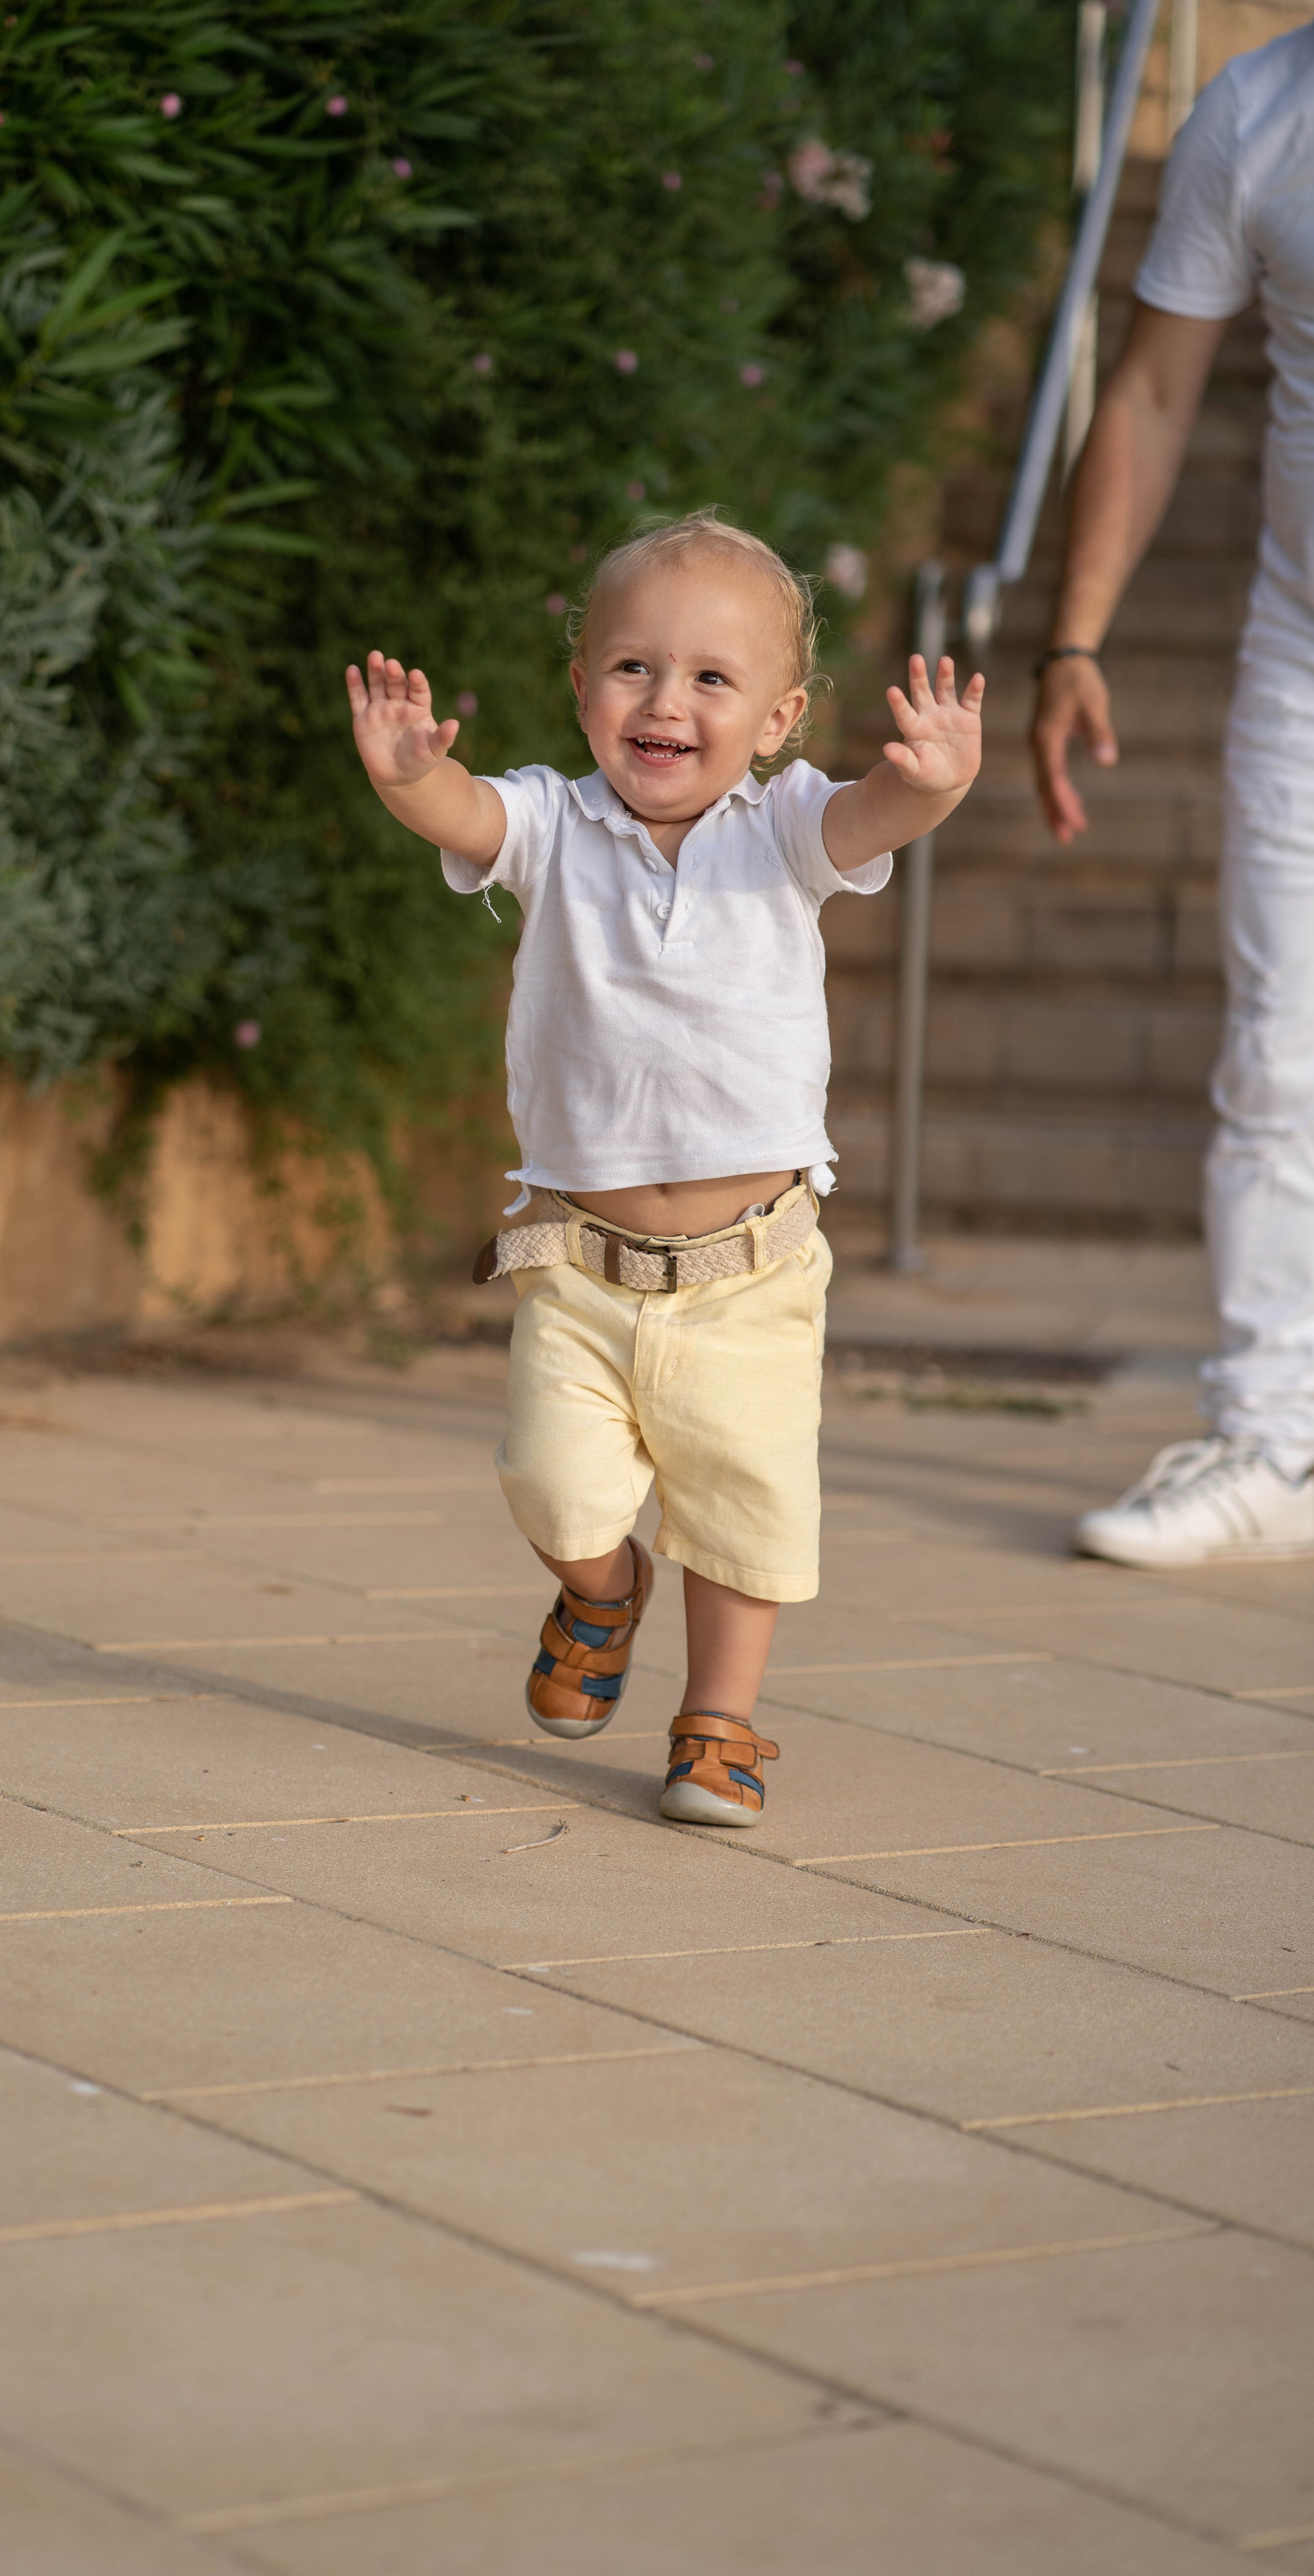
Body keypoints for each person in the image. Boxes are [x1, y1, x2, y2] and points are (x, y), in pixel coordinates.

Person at [347, 510, 984, 1825]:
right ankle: (599, 1592)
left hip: (750, 1272)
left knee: (743, 1502)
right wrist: (406, 774)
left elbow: (880, 815)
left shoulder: (784, 829)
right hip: (576, 1264)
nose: (664, 702)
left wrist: (933, 778)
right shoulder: (547, 826)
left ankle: (717, 1724)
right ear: (581, 687)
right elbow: (454, 808)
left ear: (775, 717)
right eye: (631, 667)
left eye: (710, 678)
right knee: (548, 1480)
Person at [1034, 25, 1314, 1568]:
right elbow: (1144, 394)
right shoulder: (1259, 107)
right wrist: (1072, 635)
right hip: (1301, 665)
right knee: (1276, 1059)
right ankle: (1270, 1441)